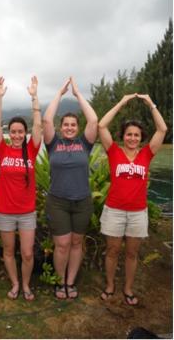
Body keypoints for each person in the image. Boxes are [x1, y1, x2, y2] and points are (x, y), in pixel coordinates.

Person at [98, 93, 167, 305]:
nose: (132, 138)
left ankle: (127, 288)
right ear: (123, 136)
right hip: (114, 210)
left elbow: (162, 129)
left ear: (141, 138)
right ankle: (110, 285)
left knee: (131, 253)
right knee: (112, 251)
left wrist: (150, 103)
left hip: (138, 212)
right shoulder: (114, 152)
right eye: (129, 134)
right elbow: (101, 126)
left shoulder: (147, 154)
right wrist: (121, 102)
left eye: (136, 135)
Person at [43, 77, 98, 299]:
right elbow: (46, 120)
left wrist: (77, 94)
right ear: (60, 127)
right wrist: (60, 93)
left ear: (77, 128)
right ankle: (59, 281)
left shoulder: (85, 143)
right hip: (58, 202)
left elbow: (93, 120)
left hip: (82, 202)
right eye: (65, 124)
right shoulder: (53, 143)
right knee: (63, 244)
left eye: (73, 125)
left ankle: (70, 281)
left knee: (77, 243)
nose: (68, 127)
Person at [0, 76, 42, 301]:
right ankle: (14, 283)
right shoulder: (1, 149)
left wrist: (34, 97)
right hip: (5, 211)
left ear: (25, 133)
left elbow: (39, 125)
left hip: (26, 212)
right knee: (9, 252)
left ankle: (26, 285)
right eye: (12, 131)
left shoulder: (31, 150)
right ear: (8, 132)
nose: (16, 135)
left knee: (28, 253)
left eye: (20, 131)